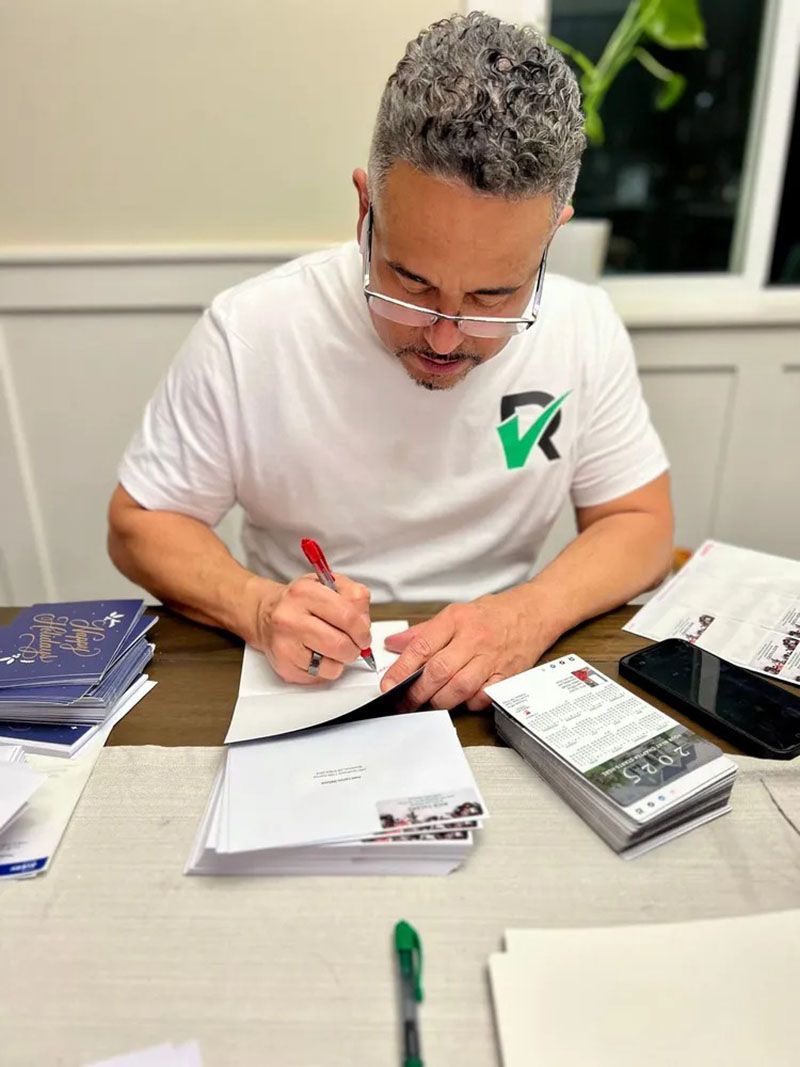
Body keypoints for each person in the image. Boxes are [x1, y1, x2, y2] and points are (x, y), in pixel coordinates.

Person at [107, 11, 673, 713]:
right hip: (305, 676)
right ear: (364, 209)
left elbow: (640, 521)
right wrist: (257, 606)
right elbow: (140, 522)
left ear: (552, 235)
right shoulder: (251, 330)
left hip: (498, 675)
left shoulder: (584, 327)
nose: (445, 338)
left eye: (492, 296)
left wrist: (529, 614)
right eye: (411, 284)